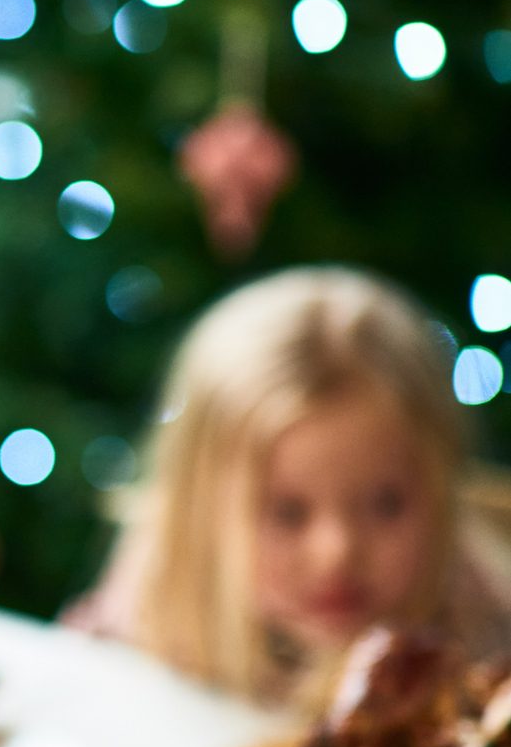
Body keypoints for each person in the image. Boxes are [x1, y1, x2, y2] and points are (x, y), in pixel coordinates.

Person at [70, 266, 511, 704]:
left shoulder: (484, 634)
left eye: (386, 504)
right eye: (288, 512)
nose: (336, 552)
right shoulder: (153, 597)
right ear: (199, 507)